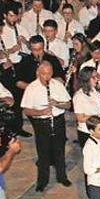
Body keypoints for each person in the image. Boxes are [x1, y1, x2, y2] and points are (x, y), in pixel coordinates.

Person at [21, 61, 72, 192]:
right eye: (44, 74)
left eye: (49, 74)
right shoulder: (31, 88)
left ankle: (62, 177)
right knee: (43, 153)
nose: (46, 77)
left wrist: (57, 104)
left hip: (58, 120)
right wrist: (41, 112)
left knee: (59, 150)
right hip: (41, 123)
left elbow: (68, 105)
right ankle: (42, 181)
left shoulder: (57, 85)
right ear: (38, 73)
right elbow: (26, 110)